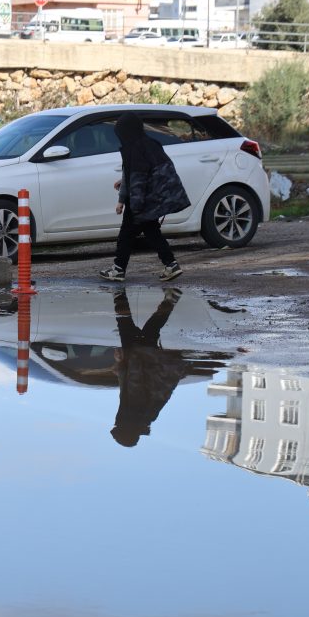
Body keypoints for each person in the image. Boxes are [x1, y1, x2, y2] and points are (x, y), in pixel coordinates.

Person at [99, 114, 191, 283]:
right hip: (152, 197)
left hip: (141, 199)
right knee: (151, 231)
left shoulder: (133, 149)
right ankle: (171, 264)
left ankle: (119, 270)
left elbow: (137, 178)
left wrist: (128, 202)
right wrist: (125, 187)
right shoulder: (150, 144)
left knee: (127, 234)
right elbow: (140, 174)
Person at [109, 287, 191, 447]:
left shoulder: (146, 417)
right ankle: (118, 291)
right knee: (124, 320)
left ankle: (171, 300)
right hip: (139, 356)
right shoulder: (131, 415)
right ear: (124, 428)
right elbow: (135, 384)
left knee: (151, 328)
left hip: (144, 359)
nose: (115, 424)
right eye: (116, 427)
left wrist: (120, 366)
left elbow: (127, 388)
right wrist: (128, 359)